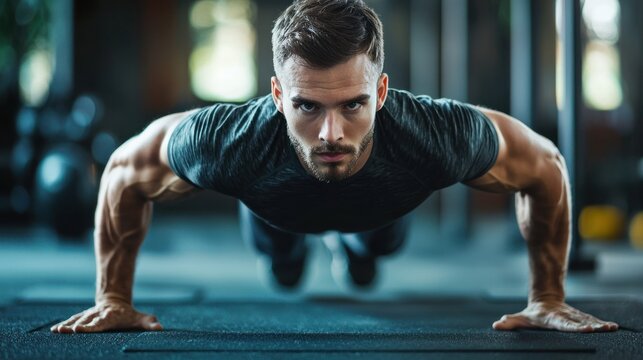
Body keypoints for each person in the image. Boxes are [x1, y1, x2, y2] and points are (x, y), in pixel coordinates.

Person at [51, 0, 618, 334]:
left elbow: (544, 164)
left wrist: (546, 297)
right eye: (306, 106)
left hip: (380, 211)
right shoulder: (227, 140)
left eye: (353, 104)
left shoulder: (435, 133)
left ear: (383, 91)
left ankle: (352, 252)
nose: (330, 134)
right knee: (284, 272)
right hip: (276, 213)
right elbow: (125, 170)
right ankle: (303, 253)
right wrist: (113, 300)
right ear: (276, 95)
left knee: (368, 262)